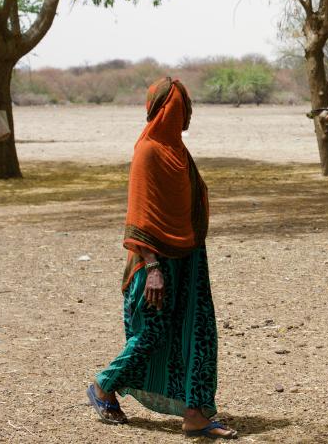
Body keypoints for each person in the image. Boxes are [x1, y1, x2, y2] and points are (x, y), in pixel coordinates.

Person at [87, 77, 236, 439]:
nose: (183, 113)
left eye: (184, 105)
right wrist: (153, 268)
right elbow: (139, 217)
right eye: (178, 106)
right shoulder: (148, 151)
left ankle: (195, 414)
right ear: (162, 110)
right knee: (151, 333)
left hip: (189, 259)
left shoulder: (178, 152)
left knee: (198, 333)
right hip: (154, 262)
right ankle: (104, 386)